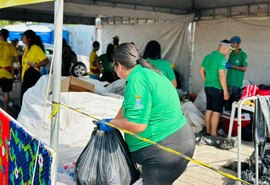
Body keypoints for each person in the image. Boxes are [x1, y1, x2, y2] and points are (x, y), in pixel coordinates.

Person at [96, 43, 195, 185]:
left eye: (114, 66)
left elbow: (137, 125)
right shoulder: (145, 73)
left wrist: (112, 123)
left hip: (165, 148)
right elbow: (126, 107)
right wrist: (114, 121)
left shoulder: (138, 81)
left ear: (119, 65)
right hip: (175, 142)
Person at [199, 39, 233, 136]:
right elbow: (221, 76)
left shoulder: (208, 56)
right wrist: (226, 92)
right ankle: (214, 134)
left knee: (209, 109)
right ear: (224, 48)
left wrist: (206, 80)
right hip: (217, 88)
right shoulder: (221, 59)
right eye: (228, 51)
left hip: (208, 87)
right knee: (216, 111)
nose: (228, 53)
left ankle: (208, 131)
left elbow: (201, 70)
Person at [21, 30, 49, 103]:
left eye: (23, 36)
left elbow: (46, 60)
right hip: (26, 76)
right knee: (24, 98)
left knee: (28, 98)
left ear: (29, 38)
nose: (22, 38)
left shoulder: (36, 48)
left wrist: (36, 65)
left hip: (32, 75)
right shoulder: (27, 48)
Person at [225, 36, 248, 110]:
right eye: (231, 43)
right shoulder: (231, 54)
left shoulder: (243, 55)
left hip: (236, 82)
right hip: (228, 81)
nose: (231, 44)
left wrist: (231, 66)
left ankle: (233, 119)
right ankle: (226, 119)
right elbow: (228, 64)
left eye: (233, 43)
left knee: (233, 103)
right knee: (226, 101)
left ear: (238, 44)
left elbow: (244, 68)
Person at [0, 29, 19, 111]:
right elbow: (16, 62)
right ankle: (5, 110)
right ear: (7, 36)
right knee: (6, 92)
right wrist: (16, 73)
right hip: (8, 73)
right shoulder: (12, 47)